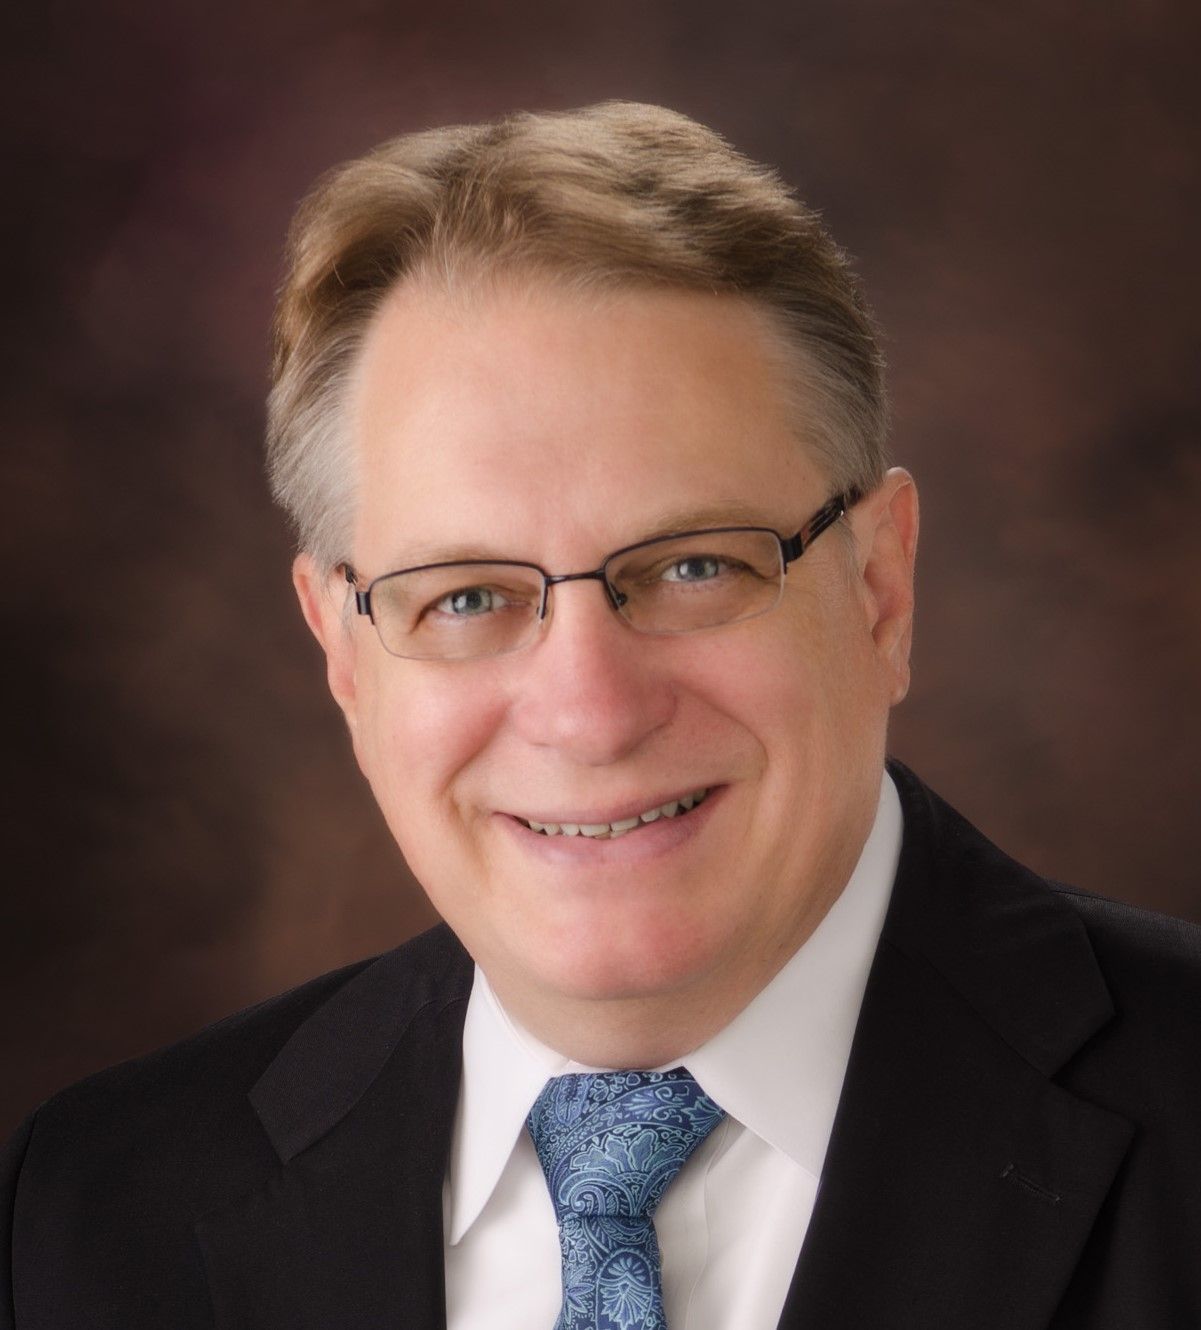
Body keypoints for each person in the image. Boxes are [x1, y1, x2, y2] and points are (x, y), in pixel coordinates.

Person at [3, 101, 1199, 1330]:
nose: (589, 711)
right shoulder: (96, 1210)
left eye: (694, 567)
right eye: (464, 594)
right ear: (343, 654)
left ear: (880, 591)